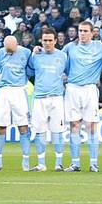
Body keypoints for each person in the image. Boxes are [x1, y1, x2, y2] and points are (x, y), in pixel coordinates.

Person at [64, 20, 102, 171]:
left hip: (90, 89)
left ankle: (93, 163)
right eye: (80, 31)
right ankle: (75, 163)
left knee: (91, 126)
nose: (82, 34)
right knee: (74, 125)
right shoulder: (70, 47)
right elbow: (56, 56)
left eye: (85, 31)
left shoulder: (101, 47)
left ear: (92, 33)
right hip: (72, 89)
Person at [0, 34, 33, 172]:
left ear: (16, 45)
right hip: (4, 91)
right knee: (0, 127)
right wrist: (2, 85)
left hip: (19, 91)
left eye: (11, 50)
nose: (9, 52)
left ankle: (26, 163)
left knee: (23, 127)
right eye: (7, 50)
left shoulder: (26, 52)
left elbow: (30, 70)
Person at [28, 28, 67, 171]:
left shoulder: (63, 56)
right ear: (41, 41)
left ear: (56, 41)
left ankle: (58, 163)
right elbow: (29, 72)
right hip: (39, 98)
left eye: (50, 40)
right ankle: (41, 164)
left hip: (56, 98)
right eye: (45, 40)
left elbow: (69, 73)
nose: (47, 43)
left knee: (58, 131)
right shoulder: (35, 56)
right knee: (39, 131)